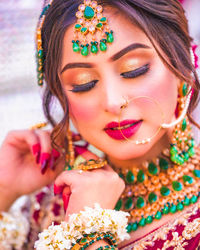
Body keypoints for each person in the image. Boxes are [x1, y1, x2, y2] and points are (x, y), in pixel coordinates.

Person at [0, 0, 200, 249]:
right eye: (83, 84)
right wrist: (4, 190)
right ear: (62, 96)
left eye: (134, 70)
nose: (114, 102)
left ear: (184, 65)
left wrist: (87, 233)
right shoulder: (53, 203)